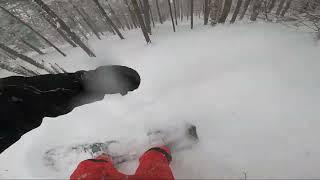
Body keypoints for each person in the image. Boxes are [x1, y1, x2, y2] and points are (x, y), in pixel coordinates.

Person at [0, 65, 140, 153]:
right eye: (122, 89)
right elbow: (20, 88)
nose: (119, 93)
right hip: (10, 115)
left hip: (15, 124)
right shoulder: (68, 85)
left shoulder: (82, 87)